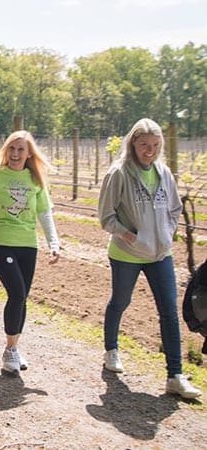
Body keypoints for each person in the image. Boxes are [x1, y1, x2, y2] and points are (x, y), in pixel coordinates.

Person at [98, 118, 201, 399]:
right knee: (120, 301)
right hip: (126, 253)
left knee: (169, 309)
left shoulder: (163, 172)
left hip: (160, 254)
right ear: (133, 144)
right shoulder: (118, 173)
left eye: (155, 146)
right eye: (144, 145)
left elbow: (175, 208)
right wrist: (129, 235)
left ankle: (175, 375)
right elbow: (106, 216)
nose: (150, 151)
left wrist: (167, 234)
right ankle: (111, 350)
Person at [0, 130, 60, 375]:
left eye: (21, 149)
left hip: (27, 244)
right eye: (11, 148)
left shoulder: (35, 180)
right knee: (17, 292)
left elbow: (44, 213)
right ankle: (10, 350)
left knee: (22, 298)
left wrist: (54, 243)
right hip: (0, 241)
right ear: (5, 151)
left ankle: (14, 347)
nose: (15, 154)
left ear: (29, 153)